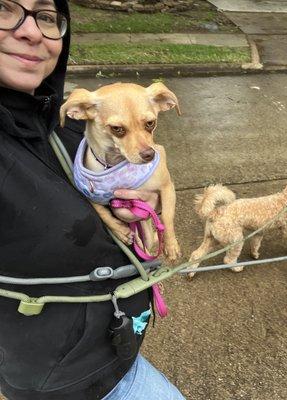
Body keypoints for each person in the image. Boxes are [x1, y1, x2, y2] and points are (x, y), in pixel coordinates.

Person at [0, 0, 185, 399]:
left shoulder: (68, 128)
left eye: (47, 16)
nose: (31, 31)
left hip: (117, 346)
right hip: (61, 380)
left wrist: (146, 214)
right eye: (4, 8)